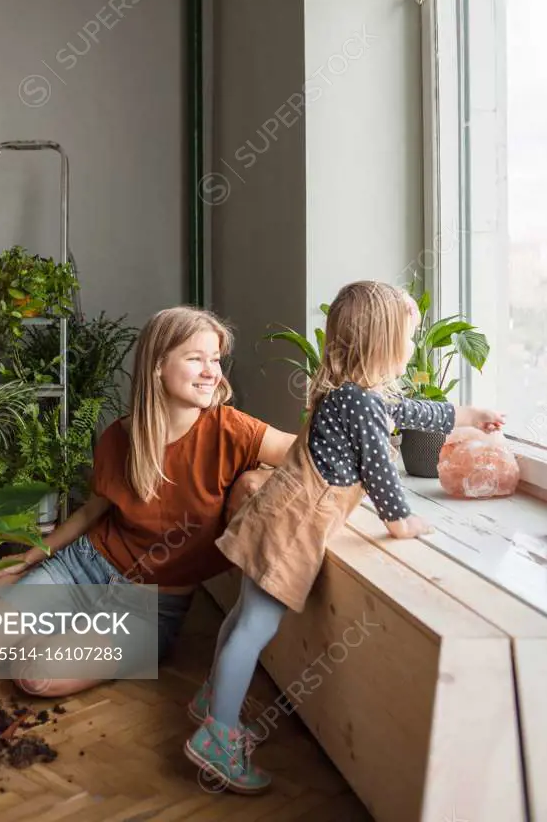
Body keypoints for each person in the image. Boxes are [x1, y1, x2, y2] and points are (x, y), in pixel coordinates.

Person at [184, 281, 505, 795]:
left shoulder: (354, 394)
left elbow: (409, 414)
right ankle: (217, 737)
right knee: (256, 629)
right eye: (406, 336)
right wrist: (399, 522)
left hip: (276, 515)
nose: (410, 346)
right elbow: (380, 470)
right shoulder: (360, 403)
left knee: (242, 618)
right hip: (292, 529)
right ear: (381, 342)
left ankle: (212, 701)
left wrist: (468, 416)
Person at [0, 305, 296, 698]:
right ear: (157, 365)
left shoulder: (231, 429)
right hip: (84, 567)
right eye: (195, 359)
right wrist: (34, 554)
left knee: (35, 676)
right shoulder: (120, 436)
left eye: (215, 360)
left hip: (150, 608)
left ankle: (61, 621)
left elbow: (305, 455)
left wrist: (258, 477)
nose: (210, 371)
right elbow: (93, 509)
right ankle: (37, 600)